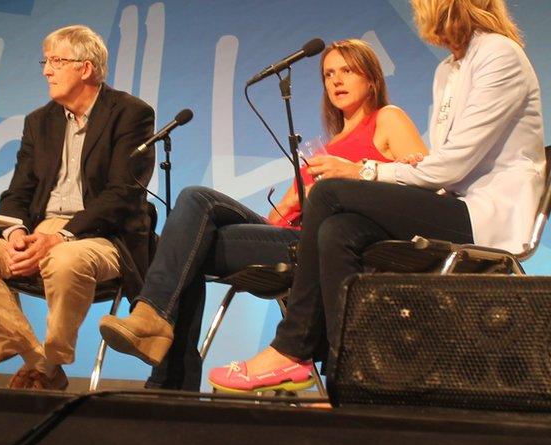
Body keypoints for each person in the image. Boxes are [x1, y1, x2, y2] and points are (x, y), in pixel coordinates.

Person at [207, 0, 544, 393]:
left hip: (484, 216)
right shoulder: (450, 69)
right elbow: (443, 163)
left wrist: (367, 170)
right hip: (452, 201)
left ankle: (292, 349)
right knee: (336, 230)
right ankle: (354, 373)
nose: (416, 5)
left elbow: (450, 168)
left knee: (328, 193)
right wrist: (411, 168)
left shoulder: (499, 55)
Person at [99, 39, 427, 390]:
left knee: (195, 210)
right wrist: (263, 227)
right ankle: (158, 347)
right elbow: (286, 208)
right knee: (189, 239)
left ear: (372, 79)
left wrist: (356, 172)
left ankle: (159, 346)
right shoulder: (328, 145)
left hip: (329, 244)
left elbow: (422, 184)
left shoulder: (387, 119)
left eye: (347, 71)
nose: (336, 81)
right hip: (292, 236)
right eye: (329, 74)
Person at [0, 25, 155, 391]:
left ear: (85, 68)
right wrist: (17, 234)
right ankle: (39, 363)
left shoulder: (131, 114)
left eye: (56, 61)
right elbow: (17, 193)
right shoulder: (39, 122)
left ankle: (52, 361)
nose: (46, 70)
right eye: (47, 61)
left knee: (66, 259)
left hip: (101, 237)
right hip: (39, 232)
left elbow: (123, 195)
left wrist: (61, 236)